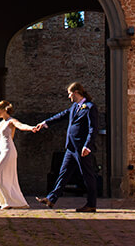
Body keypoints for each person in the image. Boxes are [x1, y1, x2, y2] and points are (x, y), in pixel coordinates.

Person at [34, 82, 98, 212]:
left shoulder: (90, 107)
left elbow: (93, 129)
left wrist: (87, 146)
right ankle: (51, 199)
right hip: (71, 147)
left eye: (69, 94)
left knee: (88, 176)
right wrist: (45, 123)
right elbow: (61, 116)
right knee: (63, 173)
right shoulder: (74, 107)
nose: (69, 97)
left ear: (75, 93)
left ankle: (91, 204)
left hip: (82, 148)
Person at [0, 100, 37, 210]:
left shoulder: (11, 121)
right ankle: (10, 201)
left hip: (9, 150)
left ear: (3, 110)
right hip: (2, 150)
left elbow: (21, 125)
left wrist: (31, 128)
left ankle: (8, 201)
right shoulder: (1, 123)